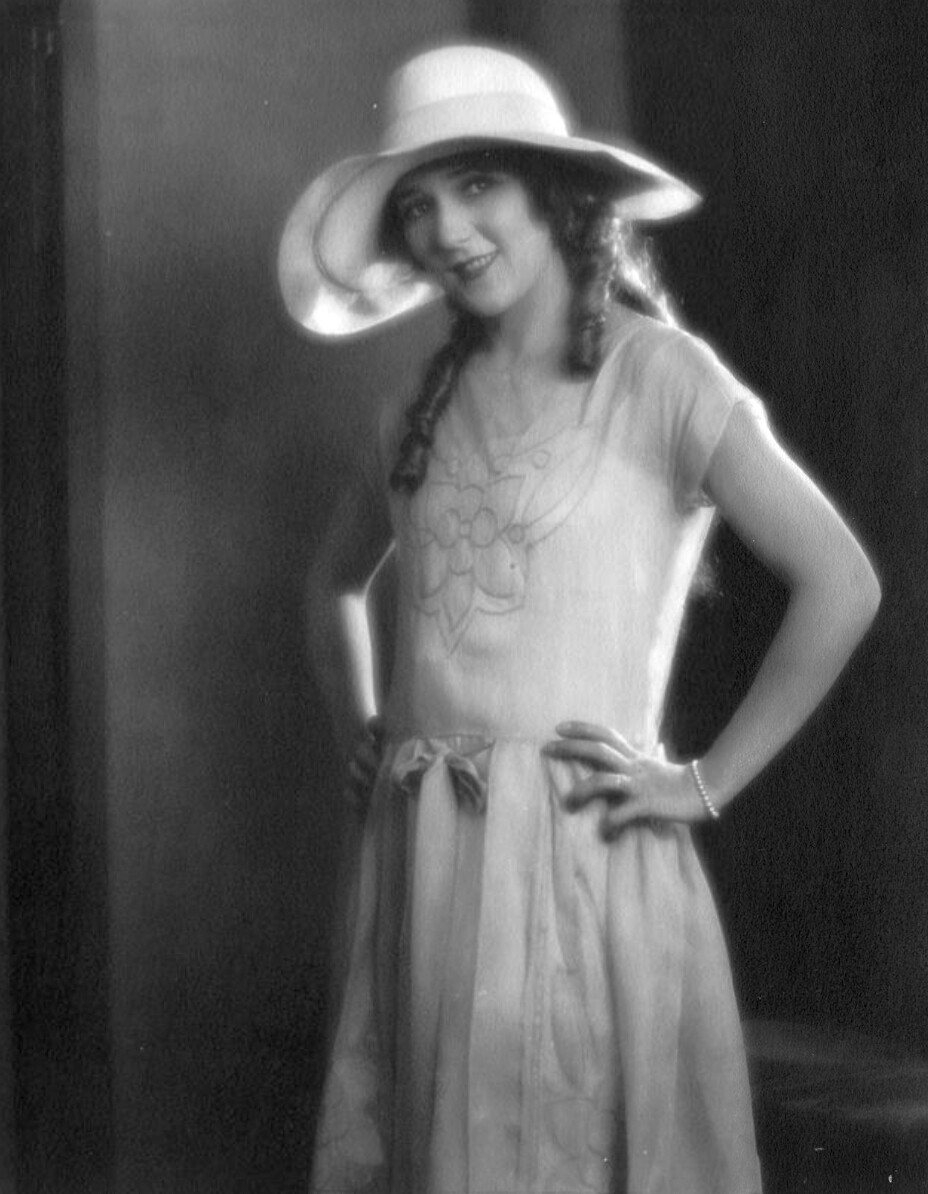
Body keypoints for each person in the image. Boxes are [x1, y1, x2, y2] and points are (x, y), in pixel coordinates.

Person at [278, 43, 880, 1194]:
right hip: (428, 869)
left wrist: (703, 783)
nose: (445, 229)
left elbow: (841, 583)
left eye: (476, 185)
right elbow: (332, 585)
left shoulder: (662, 377)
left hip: (582, 863)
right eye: (416, 206)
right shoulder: (416, 408)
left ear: (555, 192)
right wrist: (365, 731)